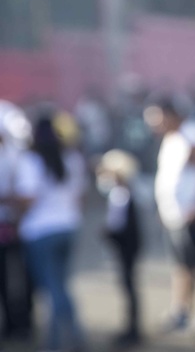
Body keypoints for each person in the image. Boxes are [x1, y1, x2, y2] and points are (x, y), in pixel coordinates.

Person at [144, 98, 195, 339]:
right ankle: (181, 311)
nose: (154, 125)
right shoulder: (172, 137)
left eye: (158, 119)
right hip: (176, 216)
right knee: (181, 265)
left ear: (171, 114)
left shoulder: (193, 135)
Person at [14, 116, 87, 352]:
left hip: (40, 232)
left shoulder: (31, 160)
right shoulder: (72, 157)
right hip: (67, 227)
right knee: (61, 285)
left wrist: (16, 216)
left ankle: (59, 342)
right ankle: (72, 338)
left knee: (52, 289)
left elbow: (28, 198)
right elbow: (80, 197)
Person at [96, 149, 144, 346]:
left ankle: (132, 330)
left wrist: (108, 234)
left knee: (128, 286)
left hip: (126, 248)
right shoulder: (121, 193)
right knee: (127, 286)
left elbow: (120, 226)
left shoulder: (122, 194)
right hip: (126, 247)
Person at [0, 132, 33, 341]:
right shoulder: (14, 158)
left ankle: (18, 325)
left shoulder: (12, 158)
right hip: (12, 226)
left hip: (10, 226)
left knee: (13, 280)